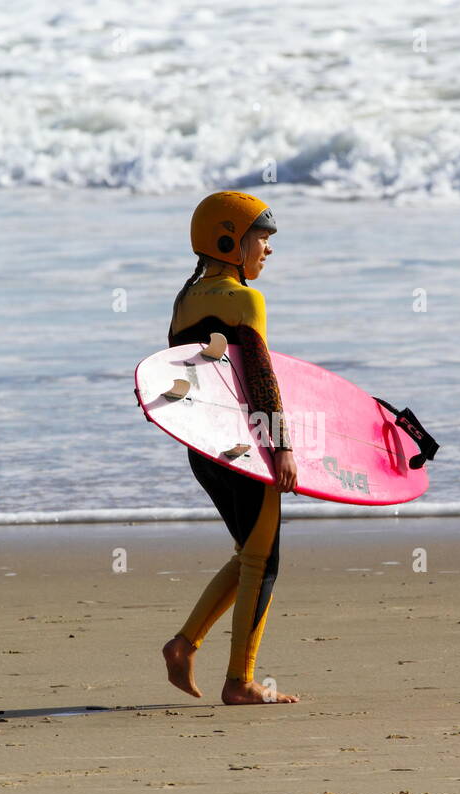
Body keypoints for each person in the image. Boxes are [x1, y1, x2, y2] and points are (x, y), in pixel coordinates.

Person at [161, 191, 301, 704]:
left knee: (248, 555)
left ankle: (184, 644)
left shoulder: (186, 301)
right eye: (261, 238)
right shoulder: (246, 300)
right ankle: (240, 681)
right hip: (245, 447)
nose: (267, 249)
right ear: (230, 240)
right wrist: (281, 446)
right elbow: (259, 377)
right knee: (264, 562)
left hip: (203, 447)